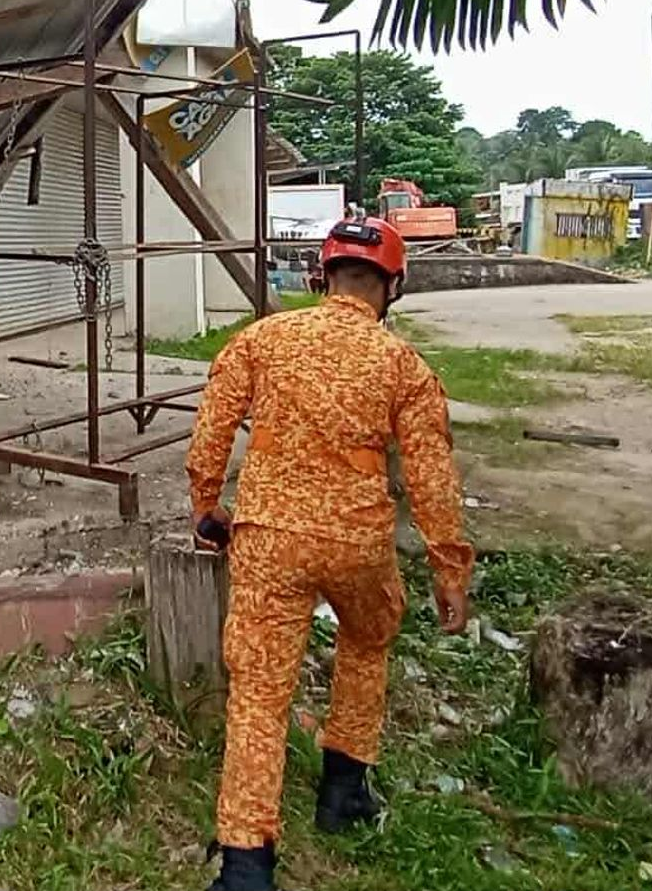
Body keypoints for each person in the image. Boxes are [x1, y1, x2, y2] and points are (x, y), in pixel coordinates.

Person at [187, 216, 474, 891]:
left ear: (322, 276)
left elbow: (212, 428)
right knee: (369, 637)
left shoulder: (262, 339)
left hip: (269, 536)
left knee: (260, 690)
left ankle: (246, 865)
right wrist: (449, 568)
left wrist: (206, 504)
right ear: (393, 286)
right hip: (358, 542)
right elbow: (431, 475)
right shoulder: (403, 365)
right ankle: (344, 790)